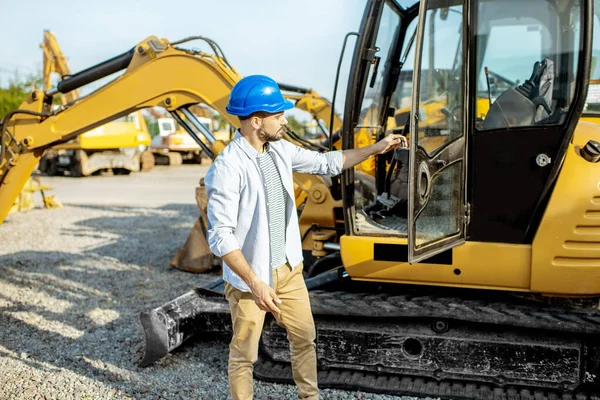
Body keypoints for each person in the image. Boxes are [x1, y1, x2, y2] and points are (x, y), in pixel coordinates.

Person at [205, 75, 406, 400]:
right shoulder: (227, 167)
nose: (285, 120)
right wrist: (255, 283)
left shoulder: (280, 149)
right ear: (257, 121)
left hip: (289, 271)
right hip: (250, 280)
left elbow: (328, 162)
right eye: (278, 115)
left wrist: (376, 148)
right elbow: (221, 237)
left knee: (304, 337)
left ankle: (309, 398)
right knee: (244, 355)